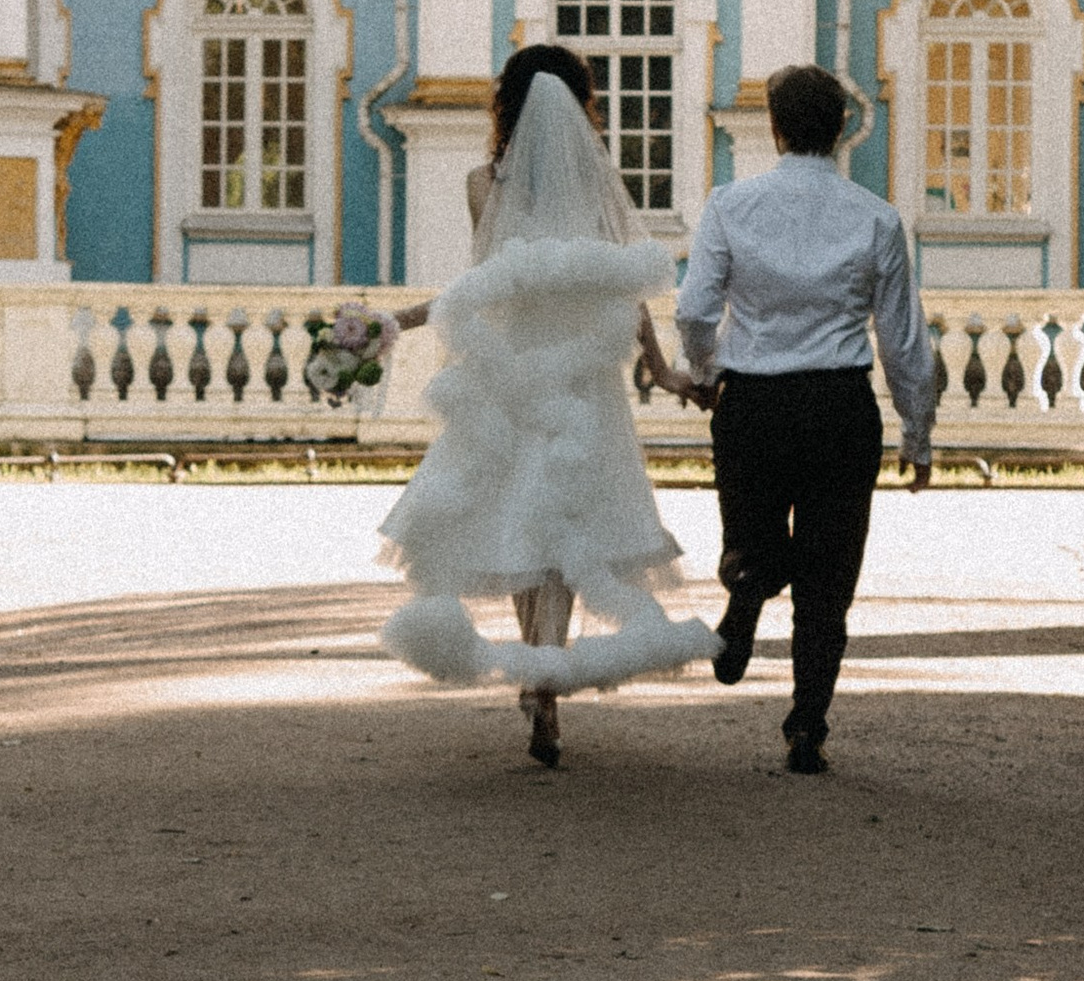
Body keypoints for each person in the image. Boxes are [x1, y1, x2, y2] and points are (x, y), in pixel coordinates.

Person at [377, 42, 712, 766]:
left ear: (508, 104)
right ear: (581, 102)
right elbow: (623, 293)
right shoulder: (596, 187)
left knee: (522, 521)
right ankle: (547, 681)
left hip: (514, 380)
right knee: (567, 531)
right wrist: (659, 370)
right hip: (585, 387)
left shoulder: (482, 185)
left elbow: (482, 291)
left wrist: (393, 323)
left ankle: (538, 674)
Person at [671, 60, 940, 776]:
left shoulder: (730, 206)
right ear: (843, 129)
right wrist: (918, 433)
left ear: (775, 126)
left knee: (752, 540)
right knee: (828, 582)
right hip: (838, 407)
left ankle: (751, 581)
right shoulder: (878, 219)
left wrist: (704, 373)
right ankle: (806, 730)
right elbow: (904, 338)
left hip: (753, 407)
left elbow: (694, 310)